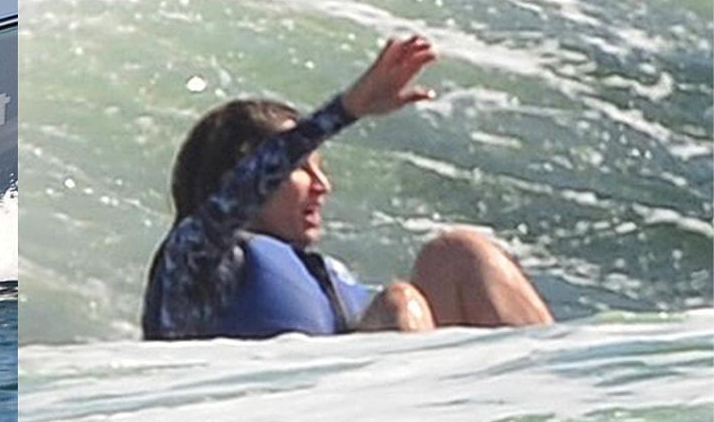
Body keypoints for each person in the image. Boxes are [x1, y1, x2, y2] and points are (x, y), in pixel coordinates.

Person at [142, 34, 552, 341]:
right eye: (302, 169)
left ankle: (567, 405)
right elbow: (237, 195)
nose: (323, 186)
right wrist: (347, 110)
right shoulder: (195, 266)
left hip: (349, 413)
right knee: (398, 302)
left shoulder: (329, 276)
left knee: (459, 255)